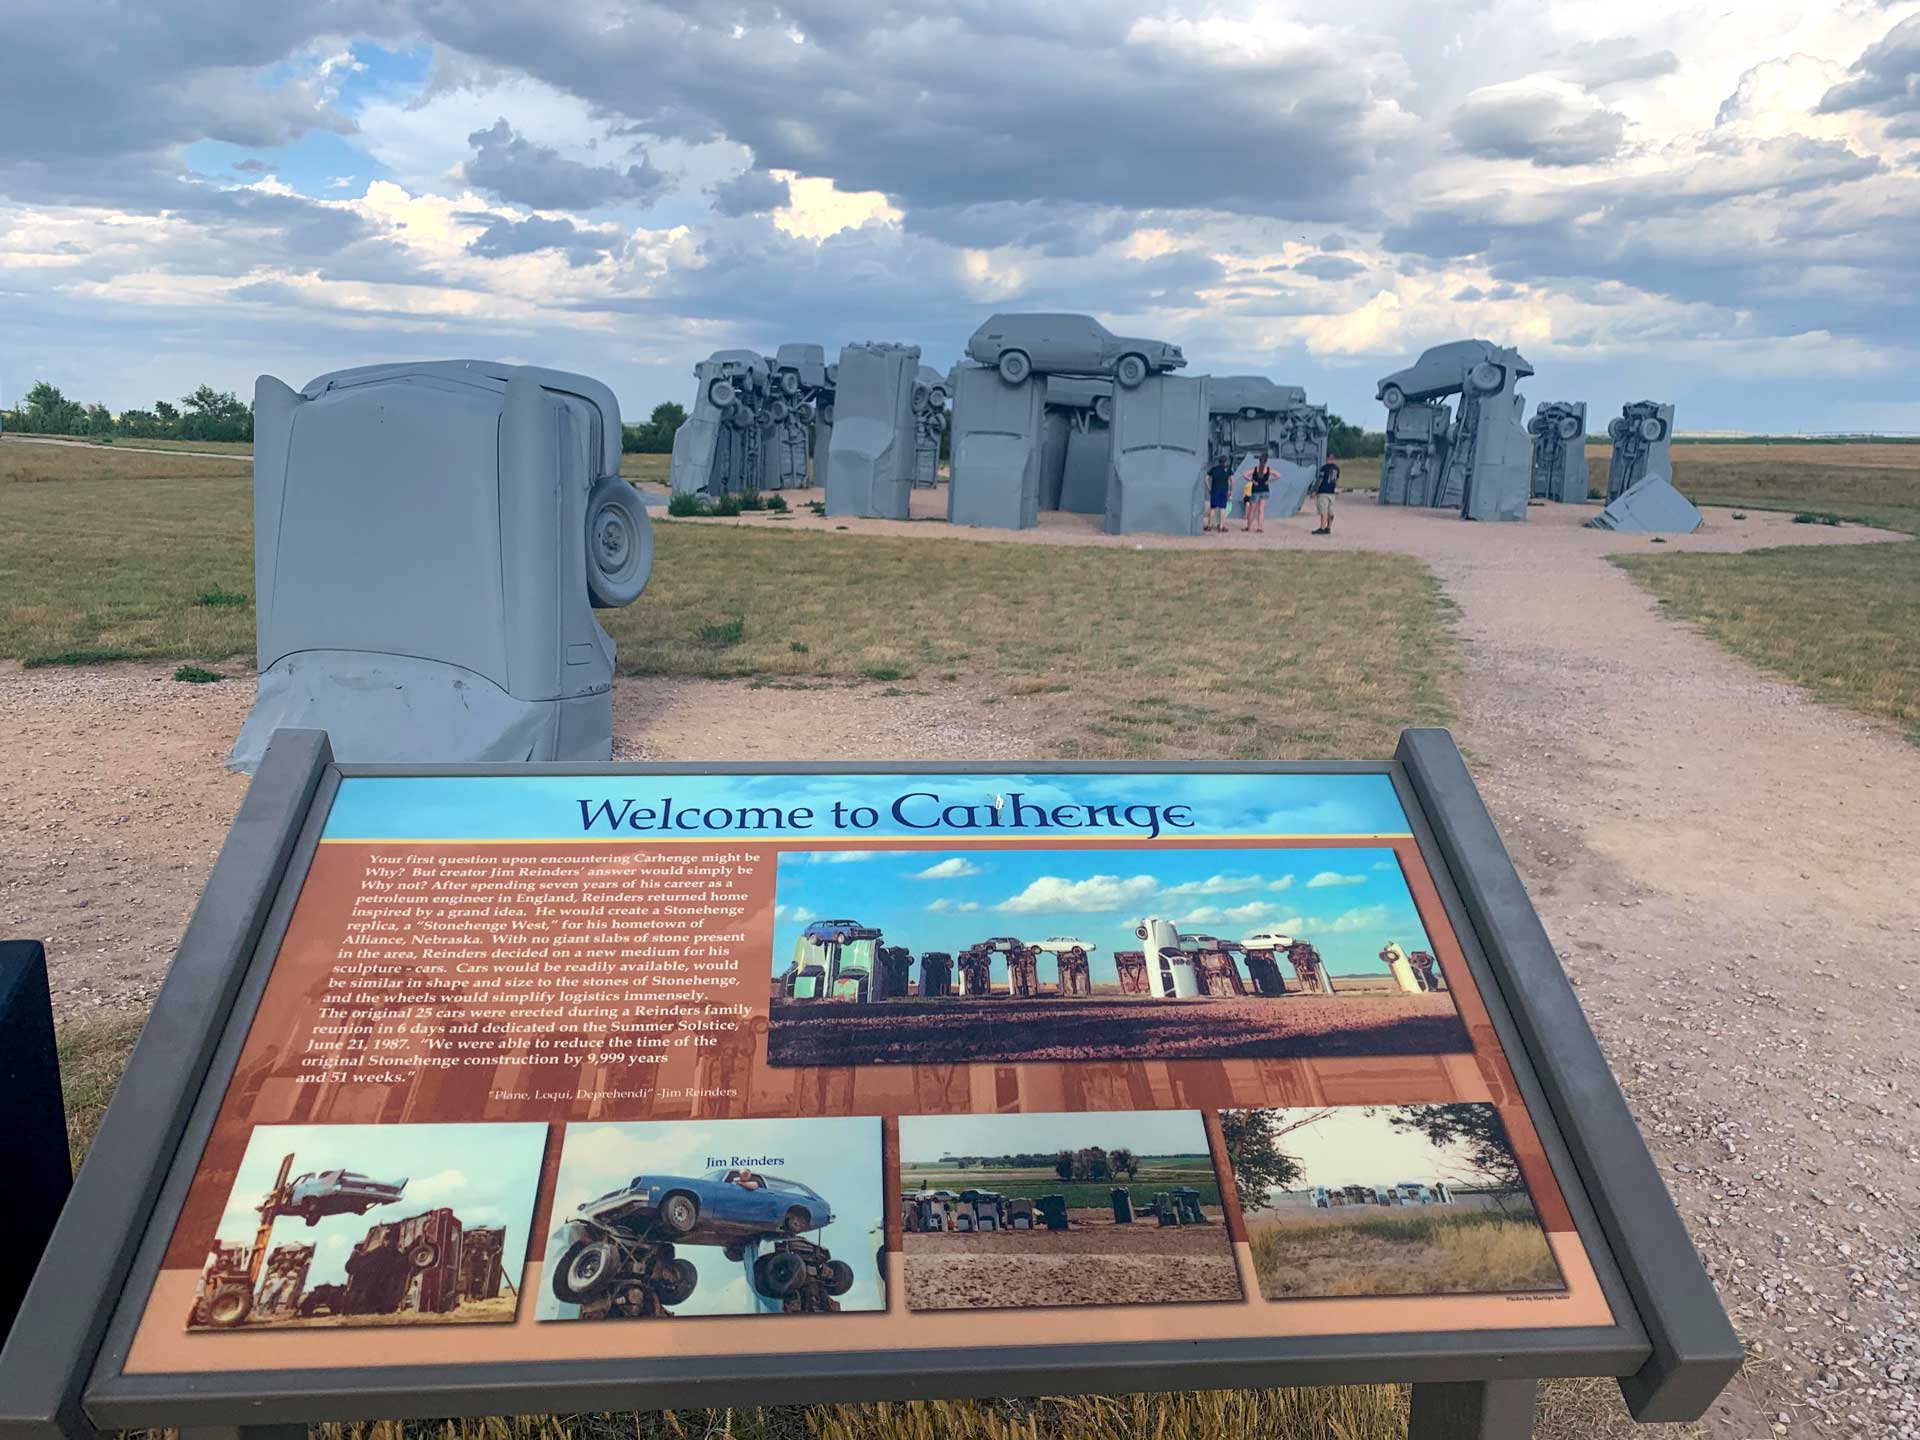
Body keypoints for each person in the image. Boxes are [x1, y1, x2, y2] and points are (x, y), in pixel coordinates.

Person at [1244, 452, 1274, 533]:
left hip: (1256, 490)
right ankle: (1259, 528)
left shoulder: (1255, 469)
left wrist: (1252, 481)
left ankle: (1248, 527)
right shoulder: (1268, 469)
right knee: (1261, 510)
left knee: (1252, 510)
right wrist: (1269, 481)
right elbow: (1278, 476)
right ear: (1266, 461)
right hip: (1265, 490)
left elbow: (1245, 474)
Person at [1204, 453, 1233, 532]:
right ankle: (1221, 526)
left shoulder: (1214, 469)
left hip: (1214, 490)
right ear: (1225, 462)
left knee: (1213, 508)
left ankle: (1209, 526)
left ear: (1219, 461)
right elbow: (1233, 480)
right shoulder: (1228, 470)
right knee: (1222, 508)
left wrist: (1209, 488)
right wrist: (1231, 490)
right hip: (1224, 490)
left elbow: (1206, 478)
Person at [1311, 458, 1340, 534]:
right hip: (1332, 493)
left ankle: (1322, 528)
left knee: (1323, 511)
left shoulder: (1324, 468)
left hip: (1323, 492)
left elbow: (1320, 480)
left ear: (1327, 459)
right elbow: (1336, 481)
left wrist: (1314, 490)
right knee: (1330, 511)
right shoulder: (1337, 469)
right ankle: (1328, 528)